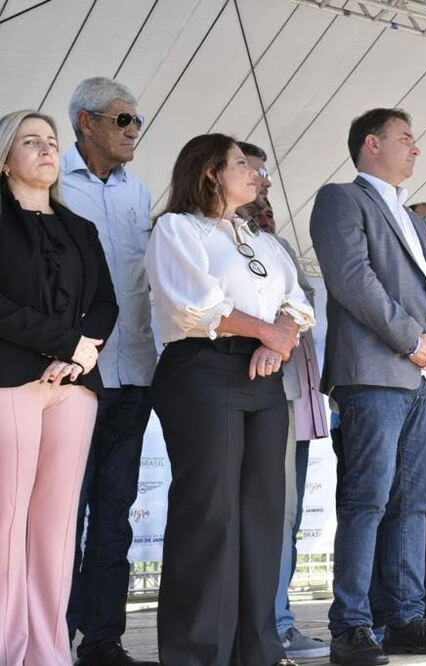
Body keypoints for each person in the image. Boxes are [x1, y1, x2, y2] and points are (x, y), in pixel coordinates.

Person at [145, 134, 315, 665]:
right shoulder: (177, 228)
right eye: (243, 164)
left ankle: (258, 651)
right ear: (211, 172)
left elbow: (298, 300)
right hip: (202, 369)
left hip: (261, 375)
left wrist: (279, 337)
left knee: (262, 517)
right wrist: (270, 332)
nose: (256, 174)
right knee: (210, 515)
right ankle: (198, 654)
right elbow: (197, 306)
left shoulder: (259, 237)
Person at [309, 108, 426, 665]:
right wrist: (411, 340)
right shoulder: (341, 199)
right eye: (406, 137)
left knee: (416, 502)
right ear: (372, 144)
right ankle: (351, 623)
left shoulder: (413, 217)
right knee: (367, 499)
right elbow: (353, 280)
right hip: (376, 373)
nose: (416, 149)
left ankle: (405, 617)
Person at [0, 109, 118, 666]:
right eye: (31, 142)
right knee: (5, 522)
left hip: (73, 386)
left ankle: (48, 650)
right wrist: (64, 343)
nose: (47, 150)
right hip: (9, 379)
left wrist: (78, 354)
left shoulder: (80, 228)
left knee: (56, 525)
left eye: (51, 142)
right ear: (5, 158)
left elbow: (106, 304)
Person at [60, 77, 158, 666]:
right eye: (123, 120)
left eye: (136, 121)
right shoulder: (52, 185)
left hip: (135, 373)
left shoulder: (139, 191)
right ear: (86, 122)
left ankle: (103, 639)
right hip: (72, 376)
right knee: (59, 516)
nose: (133, 131)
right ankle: (52, 633)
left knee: (114, 516)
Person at [237, 143, 330, 661]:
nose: (266, 187)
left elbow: (306, 303)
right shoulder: (203, 235)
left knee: (285, 517)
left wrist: (285, 326)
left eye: (267, 180)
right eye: (255, 175)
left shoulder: (279, 247)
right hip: (243, 392)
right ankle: (262, 625)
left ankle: (276, 622)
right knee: (262, 513)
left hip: (290, 397)